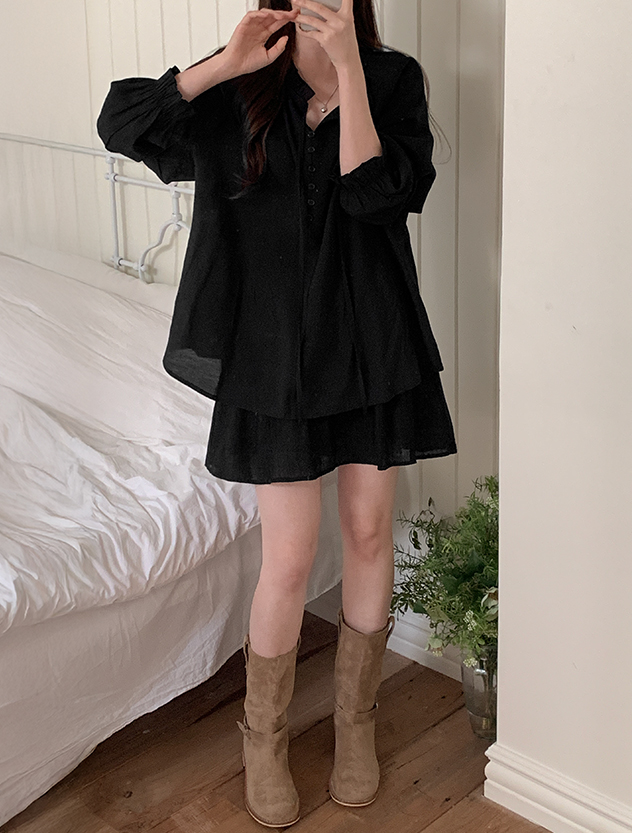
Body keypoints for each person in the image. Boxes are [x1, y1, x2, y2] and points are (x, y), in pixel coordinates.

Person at [97, 0, 456, 826]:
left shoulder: (393, 79)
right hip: (272, 359)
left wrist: (352, 72)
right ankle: (263, 738)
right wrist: (225, 65)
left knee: (368, 532)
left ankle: (356, 723)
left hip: (371, 344)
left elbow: (378, 196)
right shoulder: (243, 82)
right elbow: (122, 123)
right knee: (289, 559)